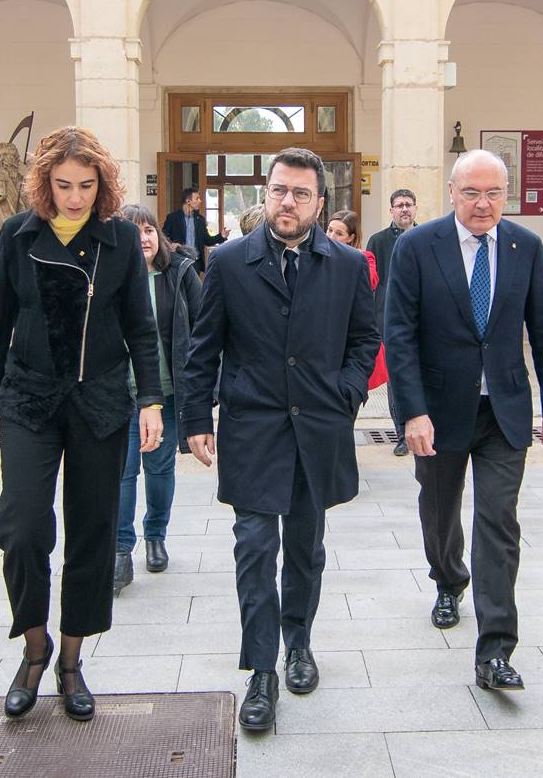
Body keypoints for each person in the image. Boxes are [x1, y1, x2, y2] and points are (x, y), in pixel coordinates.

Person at [178, 148, 378, 731]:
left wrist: (345, 393)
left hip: (318, 429)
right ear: (265, 195)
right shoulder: (231, 261)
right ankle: (261, 670)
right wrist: (195, 417)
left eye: (300, 193)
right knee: (255, 547)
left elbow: (365, 341)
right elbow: (203, 346)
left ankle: (299, 643)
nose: (287, 202)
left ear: (320, 202)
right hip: (253, 429)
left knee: (307, 548)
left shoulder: (347, 264)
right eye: (278, 191)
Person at [0, 127, 163, 724]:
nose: (75, 198)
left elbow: (140, 325)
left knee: (92, 533)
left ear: (102, 184)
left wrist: (151, 398)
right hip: (29, 398)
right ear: (43, 183)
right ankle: (35, 649)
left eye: (86, 186)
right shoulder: (18, 234)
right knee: (24, 526)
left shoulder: (119, 241)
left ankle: (73, 660)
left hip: (100, 401)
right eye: (63, 186)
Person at [384, 149, 543, 692]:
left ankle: (495, 650)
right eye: (472, 193)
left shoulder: (524, 246)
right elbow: (399, 335)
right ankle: (448, 578)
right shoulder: (418, 247)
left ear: (505, 195)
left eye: (493, 193)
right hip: (439, 413)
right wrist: (412, 412)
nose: (483, 204)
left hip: (504, 411)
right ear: (451, 191)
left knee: (498, 522)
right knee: (441, 511)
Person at [113, 203, 202, 591]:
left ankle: (155, 536)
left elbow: (203, 329)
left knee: (160, 470)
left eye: (148, 230)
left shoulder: (179, 274)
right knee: (122, 472)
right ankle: (119, 548)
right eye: (133, 232)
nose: (143, 238)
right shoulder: (108, 278)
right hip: (119, 396)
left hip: (167, 395)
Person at [365, 189, 416, 456]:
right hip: (387, 318)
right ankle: (401, 434)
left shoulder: (428, 237)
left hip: (422, 318)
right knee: (397, 377)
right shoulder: (378, 241)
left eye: (409, 205)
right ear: (391, 210)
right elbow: (371, 284)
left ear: (415, 208)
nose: (404, 209)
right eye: (399, 205)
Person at [326, 209, 387, 392]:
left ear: (351, 237)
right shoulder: (316, 256)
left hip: (349, 333)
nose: (331, 236)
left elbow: (371, 280)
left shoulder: (363, 258)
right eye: (329, 230)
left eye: (339, 233)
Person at [163, 187, 227, 269]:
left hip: (196, 262)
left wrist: (222, 236)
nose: (200, 201)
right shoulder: (173, 218)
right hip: (178, 261)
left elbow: (207, 240)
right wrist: (171, 244)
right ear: (188, 201)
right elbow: (163, 237)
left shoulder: (200, 220)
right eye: (197, 198)